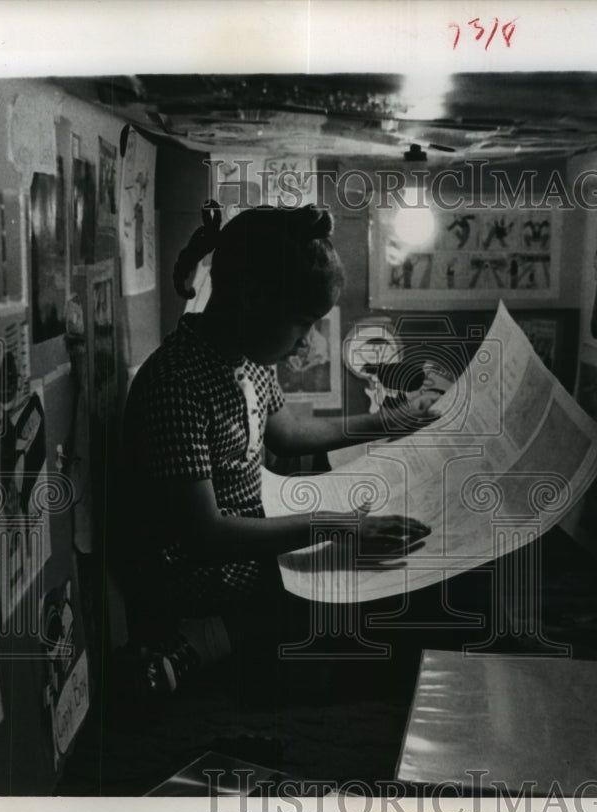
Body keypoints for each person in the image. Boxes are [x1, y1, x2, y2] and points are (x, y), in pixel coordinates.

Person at [119, 202, 435, 694]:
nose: (306, 343)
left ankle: (223, 642)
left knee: (395, 575)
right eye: (303, 322)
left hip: (251, 547)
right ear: (251, 297)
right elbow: (205, 536)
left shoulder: (249, 358)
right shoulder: (176, 383)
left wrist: (385, 423)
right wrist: (336, 525)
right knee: (376, 611)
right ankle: (207, 640)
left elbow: (285, 433)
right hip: (203, 572)